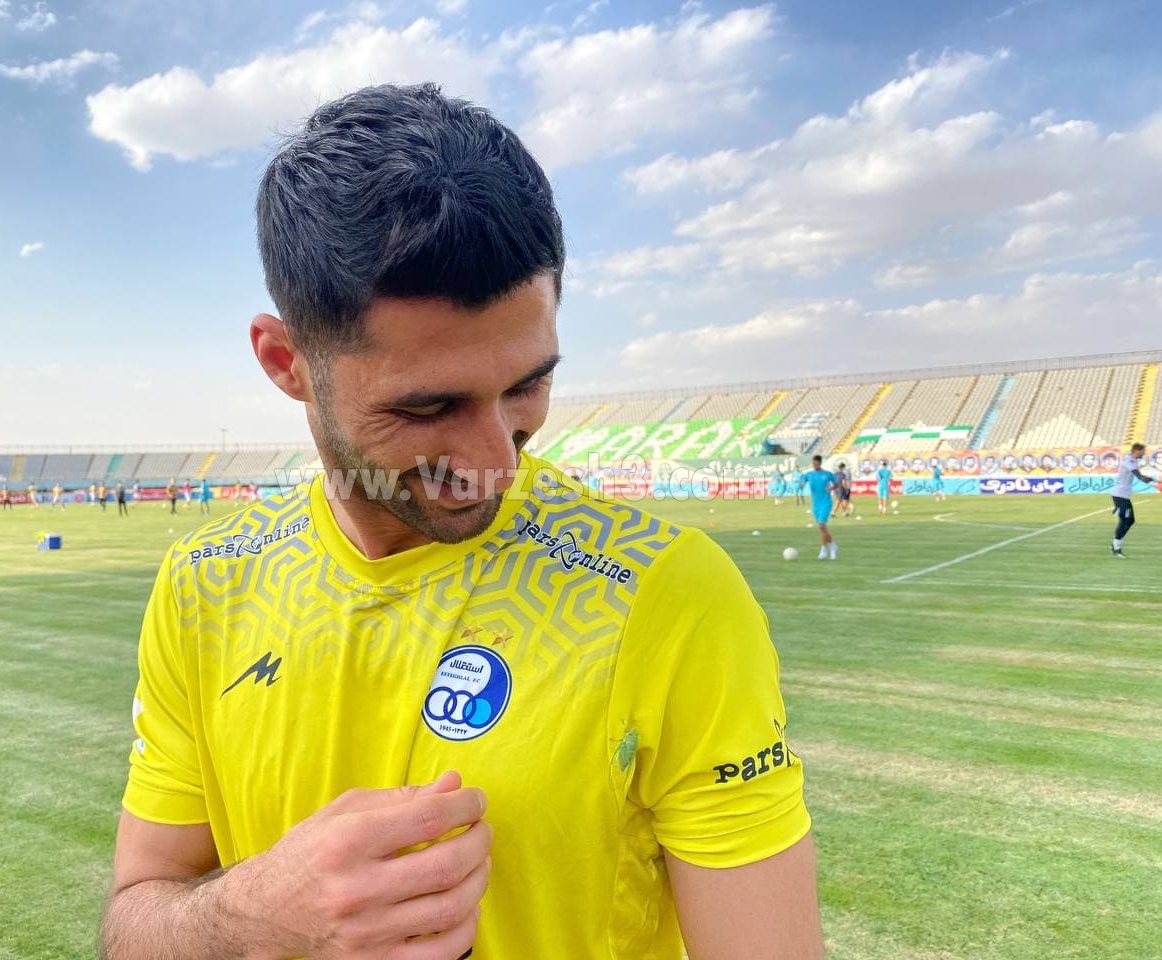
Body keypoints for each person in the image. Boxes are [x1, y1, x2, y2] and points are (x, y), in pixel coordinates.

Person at [101, 84, 822, 960]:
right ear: (286, 362)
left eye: (528, 384)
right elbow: (135, 919)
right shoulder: (206, 585)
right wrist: (254, 915)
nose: (495, 461)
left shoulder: (665, 596)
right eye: (428, 406)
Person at [1111, 442, 1159, 558]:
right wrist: (1156, 484)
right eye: (1142, 452)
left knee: (1130, 521)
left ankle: (1118, 510)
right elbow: (1140, 477)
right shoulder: (1130, 461)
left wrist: (1155, 481)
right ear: (1136, 451)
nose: (1144, 454)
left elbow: (1141, 476)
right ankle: (1116, 548)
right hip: (1120, 495)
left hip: (1122, 495)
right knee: (1125, 521)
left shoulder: (1131, 459)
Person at [801, 454, 837, 560]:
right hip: (815, 504)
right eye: (813, 464)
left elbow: (836, 483)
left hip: (826, 503)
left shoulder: (827, 474)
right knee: (822, 528)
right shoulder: (809, 474)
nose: (814, 465)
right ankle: (832, 546)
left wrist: (831, 487)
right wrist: (802, 484)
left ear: (820, 463)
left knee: (821, 525)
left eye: (816, 464)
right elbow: (802, 480)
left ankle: (825, 549)